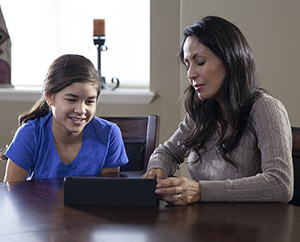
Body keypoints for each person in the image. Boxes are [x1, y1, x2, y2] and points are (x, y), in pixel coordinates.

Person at [142, 16, 293, 205]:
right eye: (187, 64)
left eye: (200, 62)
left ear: (230, 59)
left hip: (253, 229)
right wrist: (158, 168)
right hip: (205, 227)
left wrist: (201, 191)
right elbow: (167, 152)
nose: (191, 74)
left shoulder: (265, 108)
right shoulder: (202, 111)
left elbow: (280, 184)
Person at [3, 54, 128, 182]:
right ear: (49, 98)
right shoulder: (29, 134)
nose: (81, 110)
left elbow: (108, 192)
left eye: (89, 101)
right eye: (71, 100)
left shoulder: (109, 134)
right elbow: (11, 194)